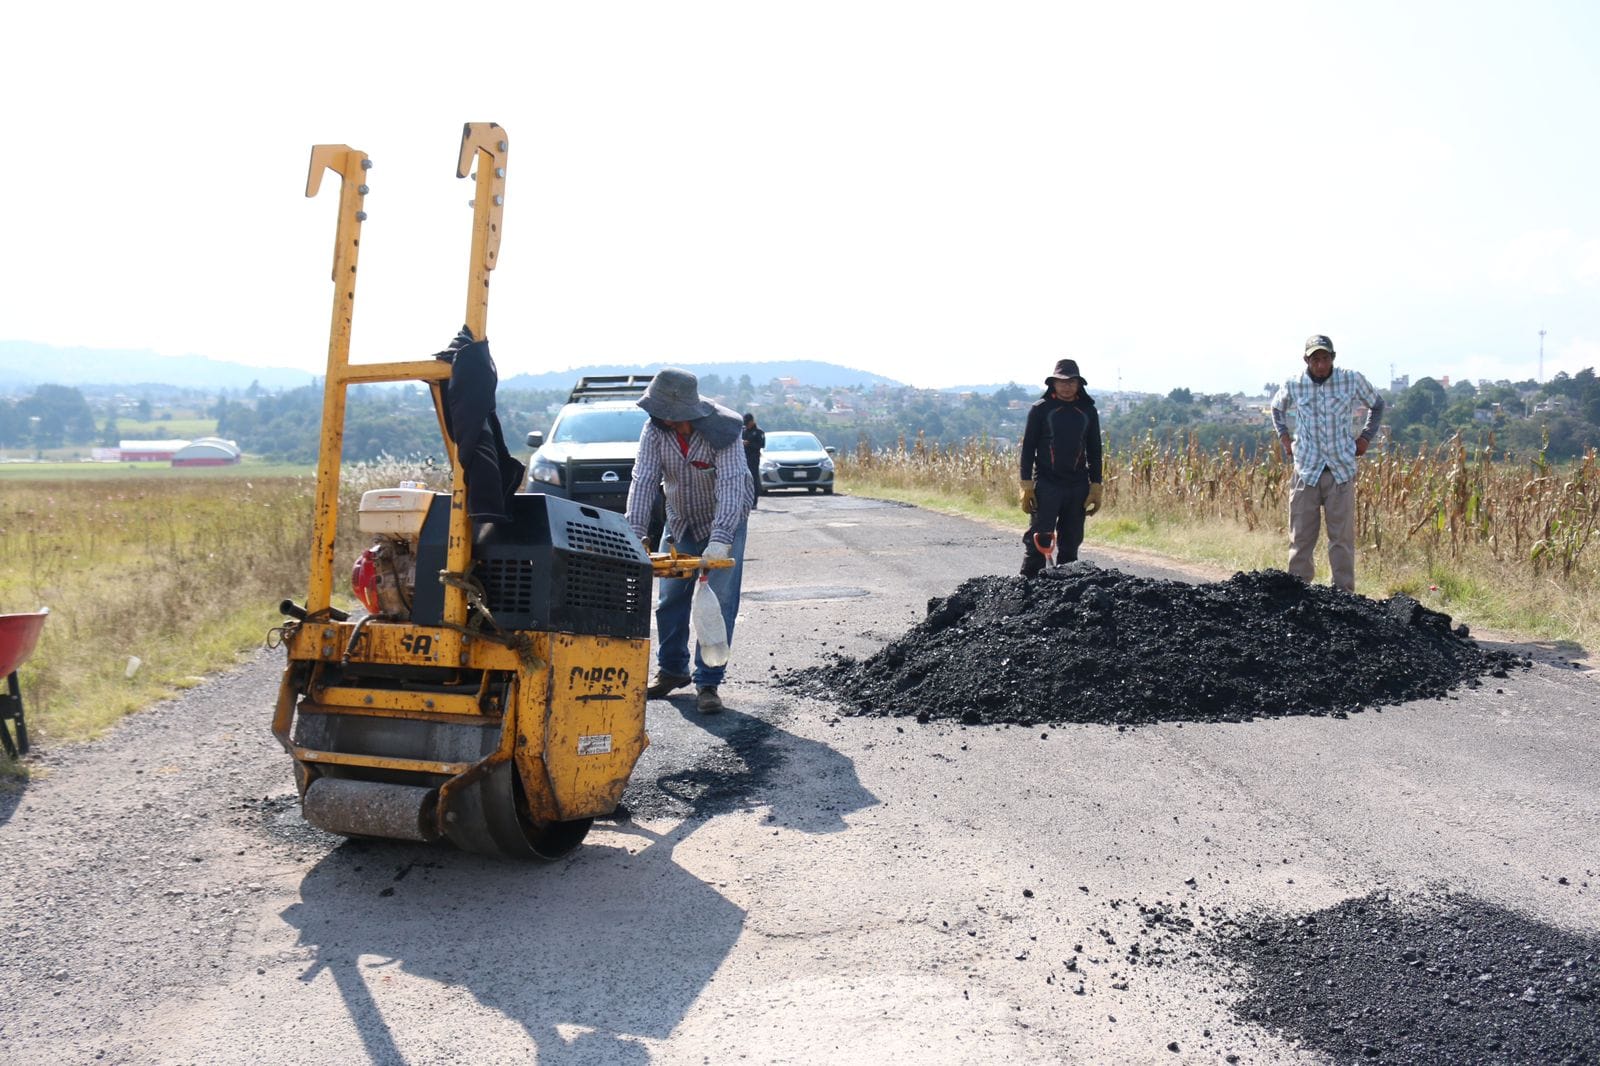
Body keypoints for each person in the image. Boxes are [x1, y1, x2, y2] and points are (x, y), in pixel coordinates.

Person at [626, 368, 755, 713]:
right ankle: (671, 670)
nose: (667, 422)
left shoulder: (725, 431)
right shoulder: (654, 432)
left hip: (725, 522)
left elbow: (731, 486)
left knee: (719, 600)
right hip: (681, 520)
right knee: (670, 599)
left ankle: (708, 683)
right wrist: (635, 535)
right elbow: (643, 481)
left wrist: (721, 539)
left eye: (671, 417)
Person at [1269, 334, 1385, 593]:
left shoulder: (1350, 379)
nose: (1320, 365)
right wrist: (1285, 439)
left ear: (1333, 358)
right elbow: (1277, 408)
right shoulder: (1294, 383)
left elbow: (1377, 405)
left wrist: (1365, 438)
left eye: (1325, 359)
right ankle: (1297, 595)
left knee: (1341, 540)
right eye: (1315, 359)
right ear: (1306, 360)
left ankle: (1343, 596)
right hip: (1306, 469)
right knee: (1300, 539)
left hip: (1340, 469)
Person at [1018, 359, 1103, 577]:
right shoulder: (1041, 410)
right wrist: (1026, 484)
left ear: (1079, 385)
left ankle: (1066, 591)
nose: (1067, 386)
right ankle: (1027, 588)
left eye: (1072, 382)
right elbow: (1028, 448)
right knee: (1039, 539)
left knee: (1071, 542)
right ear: (1053, 383)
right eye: (1062, 382)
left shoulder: (1088, 411)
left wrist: (1096, 486)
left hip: (1077, 486)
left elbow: (1094, 450)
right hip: (1047, 484)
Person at [741, 412, 766, 508]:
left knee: (753, 480)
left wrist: (749, 444)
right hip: (743, 458)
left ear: (752, 421)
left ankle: (754, 501)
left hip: (753, 459)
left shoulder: (759, 432)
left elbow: (761, 445)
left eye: (748, 423)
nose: (747, 425)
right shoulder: (743, 431)